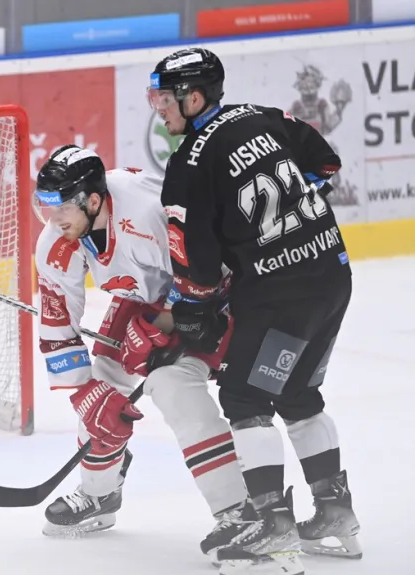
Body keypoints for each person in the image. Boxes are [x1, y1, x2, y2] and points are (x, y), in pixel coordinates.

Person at [148, 47, 360, 574]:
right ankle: (335, 512)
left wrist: (194, 308)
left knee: (245, 395)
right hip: (331, 276)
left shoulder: (187, 166)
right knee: (296, 391)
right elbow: (326, 161)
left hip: (278, 294)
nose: (159, 108)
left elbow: (196, 269)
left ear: (194, 98)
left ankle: (270, 524)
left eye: (165, 98)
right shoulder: (263, 116)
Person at [33, 145, 249, 559]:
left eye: (60, 209)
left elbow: (200, 269)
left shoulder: (145, 211)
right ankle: (100, 496)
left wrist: (167, 324)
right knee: (100, 393)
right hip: (145, 298)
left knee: (172, 388)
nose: (51, 220)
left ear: (93, 201)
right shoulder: (56, 241)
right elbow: (58, 325)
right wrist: (84, 394)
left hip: (214, 295)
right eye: (44, 207)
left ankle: (237, 511)